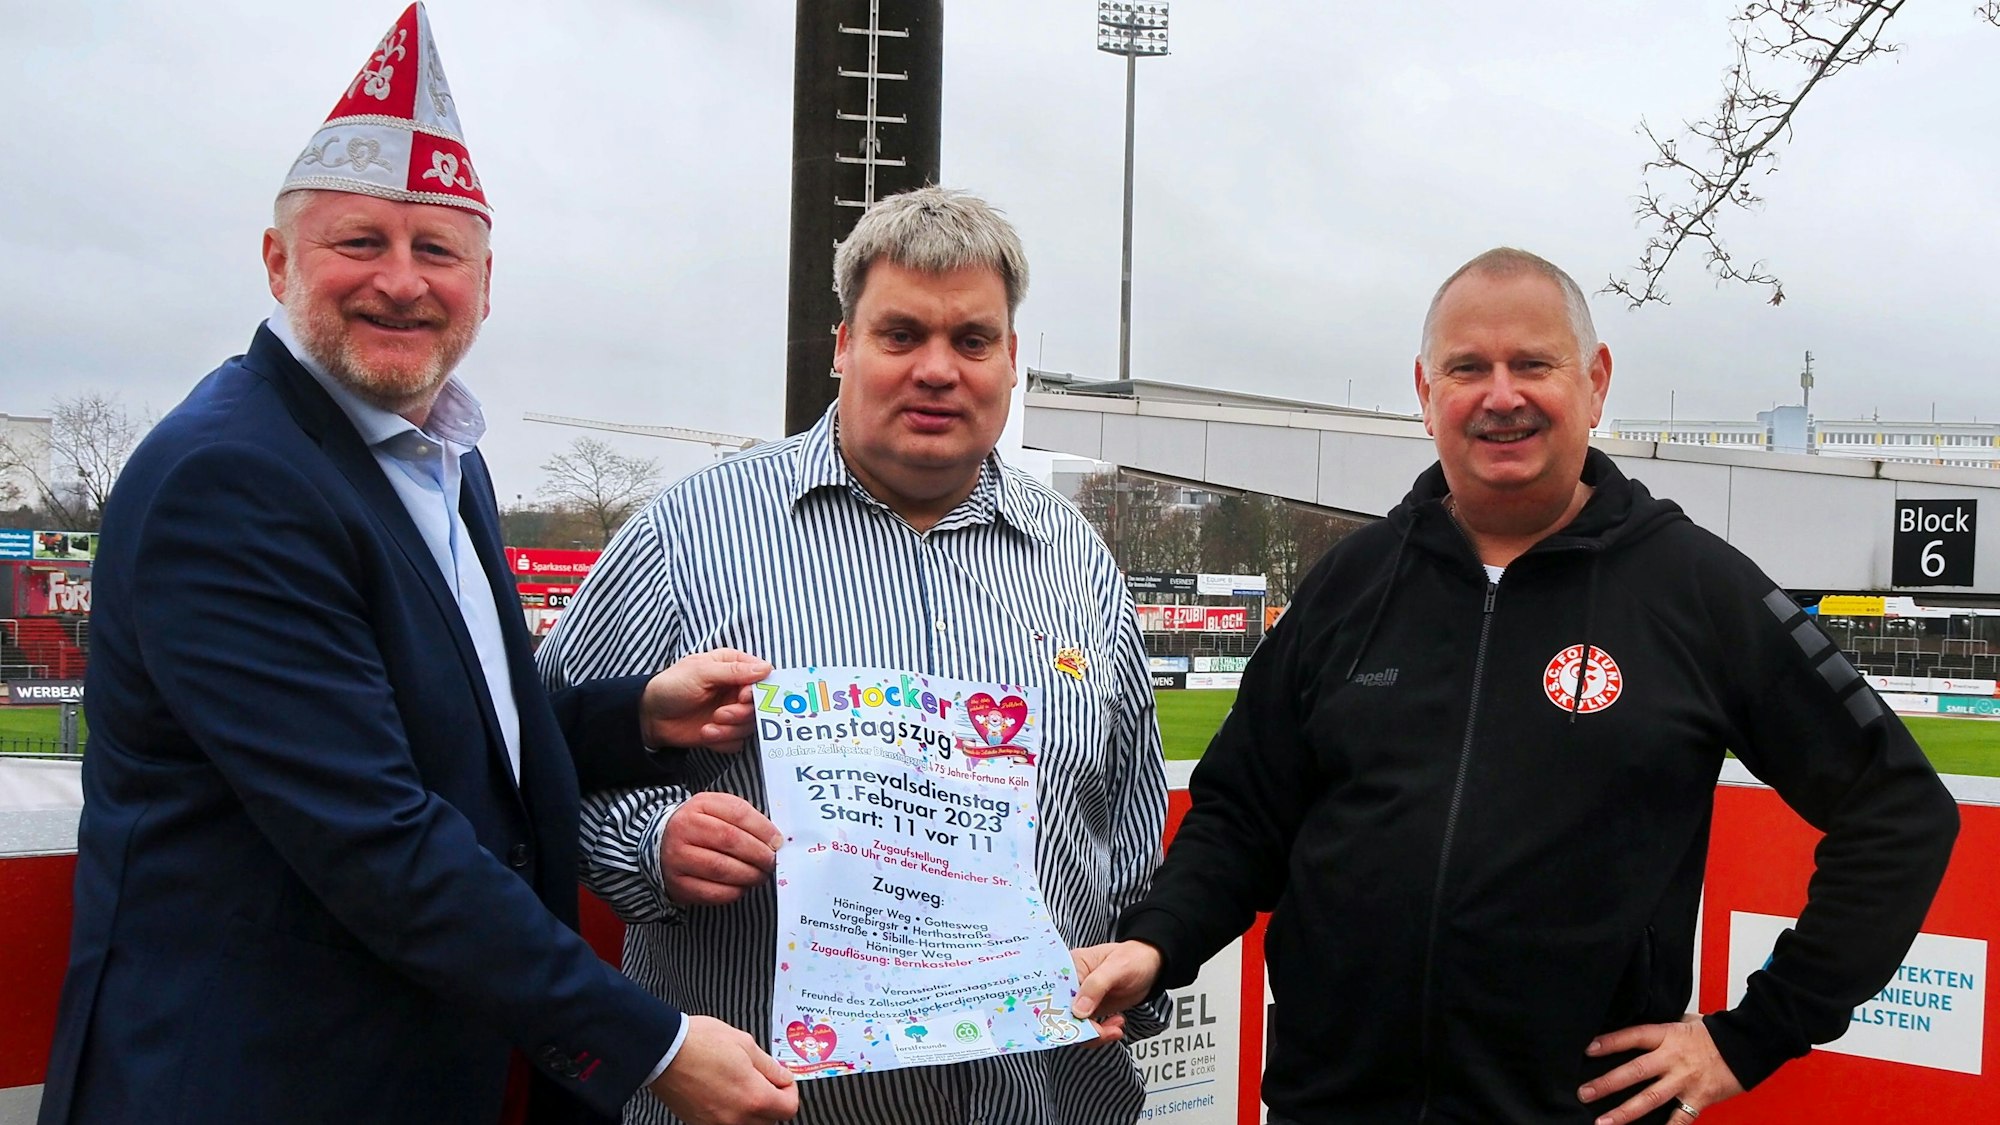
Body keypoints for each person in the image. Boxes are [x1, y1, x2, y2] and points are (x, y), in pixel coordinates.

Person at [38, 7, 798, 1124]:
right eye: (360, 242)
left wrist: (634, 716)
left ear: (484, 284)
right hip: (252, 1081)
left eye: (436, 250)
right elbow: (374, 834)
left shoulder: (437, 453)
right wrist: (652, 1043)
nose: (401, 282)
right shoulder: (233, 480)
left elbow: (443, 722)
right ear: (276, 259)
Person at [1071, 247, 1960, 1125]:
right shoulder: (1352, 582)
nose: (1501, 395)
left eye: (1533, 363)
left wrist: (1755, 1033)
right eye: (1468, 368)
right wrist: (1158, 940)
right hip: (1326, 1105)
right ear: (1426, 393)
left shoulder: (1698, 588)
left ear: (1596, 381)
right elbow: (1243, 814)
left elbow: (1899, 811)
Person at [537, 186, 1170, 1125]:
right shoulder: (690, 533)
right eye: (901, 333)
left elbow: (1123, 823)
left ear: (1011, 360)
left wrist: (1134, 964)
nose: (937, 371)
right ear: (842, 346)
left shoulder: (1078, 560)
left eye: (972, 341)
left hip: (1042, 1098)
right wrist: (653, 850)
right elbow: (540, 773)